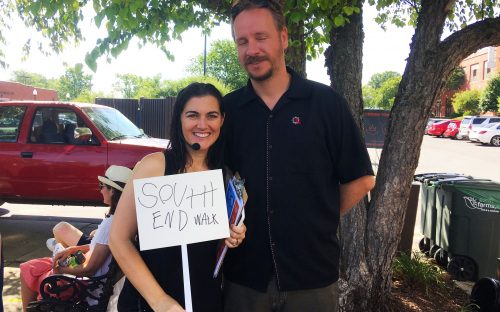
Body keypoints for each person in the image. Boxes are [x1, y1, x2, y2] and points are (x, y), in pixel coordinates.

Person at [222, 1, 376, 311]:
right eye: (242, 41)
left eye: (261, 37)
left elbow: (361, 179)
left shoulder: (326, 104)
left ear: (283, 38)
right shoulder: (228, 112)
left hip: (313, 277)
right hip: (244, 279)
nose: (252, 49)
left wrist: (317, 219)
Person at [109, 82, 247, 312]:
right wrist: (160, 301)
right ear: (179, 119)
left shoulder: (228, 178)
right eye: (193, 115)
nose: (202, 124)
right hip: (149, 302)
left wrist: (233, 236)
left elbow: (217, 242)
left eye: (211, 115)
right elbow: (118, 239)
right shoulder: (154, 166)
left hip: (205, 299)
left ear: (222, 120)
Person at [19, 165, 132, 311]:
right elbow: (105, 248)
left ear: (113, 191)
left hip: (88, 286)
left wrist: (61, 271)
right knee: (34, 266)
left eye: (102, 186)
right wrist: (75, 248)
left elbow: (89, 270)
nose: (100, 190)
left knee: (29, 270)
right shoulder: (122, 219)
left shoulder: (110, 224)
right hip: (94, 282)